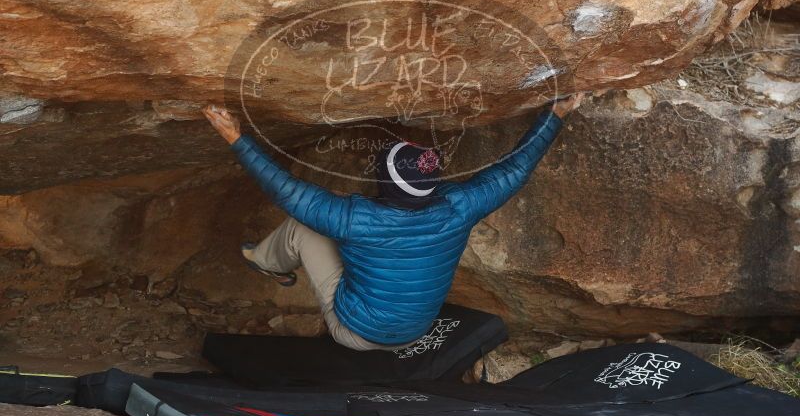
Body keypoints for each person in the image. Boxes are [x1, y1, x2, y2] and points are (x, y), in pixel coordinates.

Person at [203, 92, 584, 351]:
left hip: (354, 331)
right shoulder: (461, 206)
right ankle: (277, 265)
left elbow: (287, 191)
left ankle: (268, 265)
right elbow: (514, 170)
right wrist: (556, 115)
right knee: (343, 238)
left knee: (303, 225)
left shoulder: (355, 218)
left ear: (381, 184)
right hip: (415, 333)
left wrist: (236, 136)